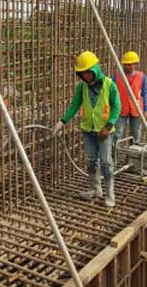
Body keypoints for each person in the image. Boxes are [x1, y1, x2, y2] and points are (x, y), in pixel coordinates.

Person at [52, 51, 121, 207]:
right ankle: (95, 189)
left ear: (95, 69)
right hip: (88, 131)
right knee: (91, 161)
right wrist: (62, 122)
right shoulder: (82, 87)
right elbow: (75, 106)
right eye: (82, 74)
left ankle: (110, 194)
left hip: (104, 132)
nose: (85, 76)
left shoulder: (109, 85)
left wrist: (108, 126)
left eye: (88, 73)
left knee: (106, 163)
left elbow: (117, 107)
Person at [113, 51, 147, 144]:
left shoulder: (142, 77)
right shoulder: (117, 76)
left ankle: (133, 155)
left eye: (129, 64)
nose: (126, 67)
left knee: (136, 134)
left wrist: (146, 110)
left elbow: (143, 94)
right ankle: (115, 156)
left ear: (135, 64)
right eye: (125, 65)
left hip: (136, 109)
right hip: (121, 108)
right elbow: (112, 92)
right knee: (118, 133)